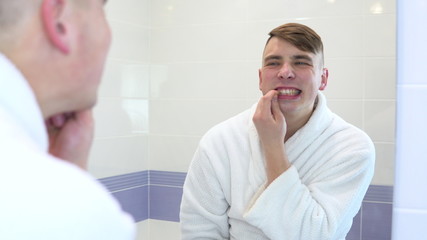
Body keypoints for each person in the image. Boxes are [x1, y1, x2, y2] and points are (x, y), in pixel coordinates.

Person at [180, 23, 375, 240]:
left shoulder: (352, 147)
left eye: (301, 62)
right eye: (274, 63)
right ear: (261, 78)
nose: (285, 72)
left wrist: (273, 146)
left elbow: (316, 235)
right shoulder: (220, 141)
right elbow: (198, 231)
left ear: (323, 78)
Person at [0, 0, 135, 239]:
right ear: (59, 21)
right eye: (101, 9)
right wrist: (69, 186)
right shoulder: (70, 210)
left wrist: (63, 170)